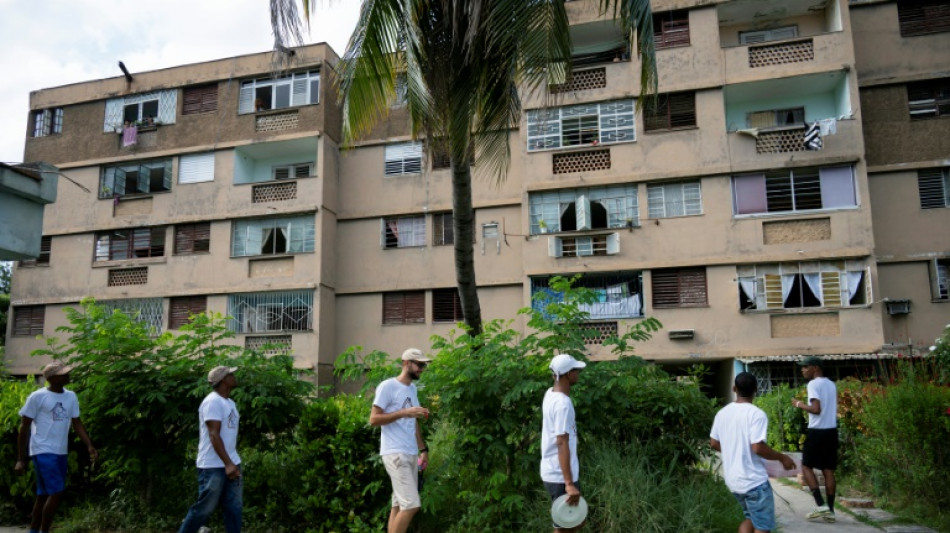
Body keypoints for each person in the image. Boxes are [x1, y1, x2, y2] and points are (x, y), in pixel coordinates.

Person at [14, 362, 98, 533]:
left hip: (61, 451)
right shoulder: (37, 397)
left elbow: (77, 423)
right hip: (42, 450)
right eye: (63, 374)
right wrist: (21, 459)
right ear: (52, 378)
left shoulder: (71, 396)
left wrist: (89, 445)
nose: (68, 375)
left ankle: (34, 531)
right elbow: (24, 427)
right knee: (57, 491)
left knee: (43, 494)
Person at [711, 372, 796, 533]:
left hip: (734, 481)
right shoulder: (756, 414)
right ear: (756, 389)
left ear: (734, 389)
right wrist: (781, 457)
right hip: (753, 482)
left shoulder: (722, 413)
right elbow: (758, 447)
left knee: (750, 519)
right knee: (762, 526)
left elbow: (714, 442)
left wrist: (733, 451)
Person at [370, 348, 432, 533]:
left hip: (411, 453)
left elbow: (413, 423)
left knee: (398, 505)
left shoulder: (412, 388)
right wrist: (405, 412)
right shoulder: (387, 386)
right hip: (395, 453)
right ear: (406, 363)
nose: (422, 368)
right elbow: (373, 419)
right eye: (419, 364)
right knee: (412, 505)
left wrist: (423, 450)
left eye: (424, 365)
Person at [179, 366, 242, 533]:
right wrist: (228, 464)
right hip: (213, 466)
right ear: (223, 380)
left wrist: (233, 462)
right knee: (204, 509)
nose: (234, 376)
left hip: (231, 462)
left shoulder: (230, 403)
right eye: (231, 374)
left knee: (234, 509)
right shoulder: (212, 402)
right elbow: (214, 434)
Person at [540, 353, 586, 533]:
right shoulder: (562, 404)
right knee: (565, 526)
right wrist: (568, 483)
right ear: (568, 374)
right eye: (576, 370)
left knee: (576, 521)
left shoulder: (550, 394)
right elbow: (561, 442)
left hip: (553, 470)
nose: (578, 373)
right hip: (560, 476)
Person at [791, 355, 838, 523]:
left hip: (817, 432)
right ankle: (830, 511)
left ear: (816, 368)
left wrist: (798, 404)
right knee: (828, 470)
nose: (803, 370)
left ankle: (820, 504)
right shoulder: (831, 384)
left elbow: (816, 409)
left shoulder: (813, 384)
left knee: (806, 466)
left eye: (806, 367)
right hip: (831, 431)